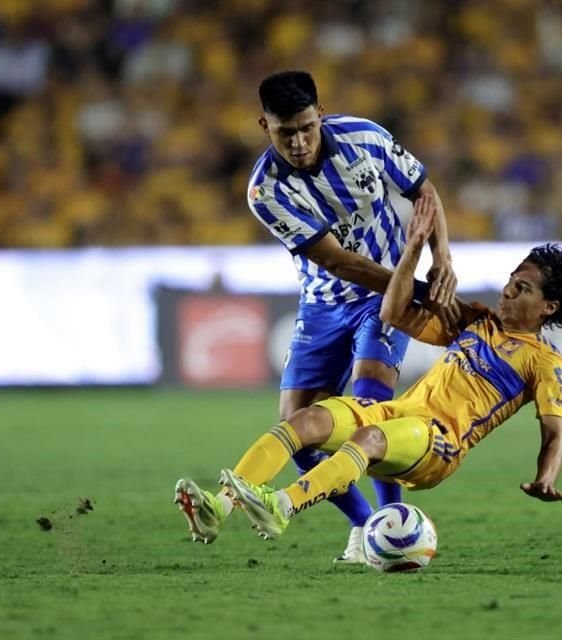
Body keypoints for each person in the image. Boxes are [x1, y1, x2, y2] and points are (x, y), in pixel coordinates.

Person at [173, 193, 562, 546]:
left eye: (523, 288)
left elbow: (554, 434)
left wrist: (544, 477)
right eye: (512, 280)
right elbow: (392, 311)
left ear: (548, 308)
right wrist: (415, 247)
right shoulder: (475, 321)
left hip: (440, 443)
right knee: (307, 420)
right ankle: (219, 506)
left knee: (367, 437)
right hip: (401, 416)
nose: (508, 290)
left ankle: (282, 506)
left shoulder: (545, 361)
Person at [173, 71, 458, 563]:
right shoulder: (265, 191)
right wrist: (413, 287)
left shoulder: (365, 138)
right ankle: (368, 525)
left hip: (382, 301)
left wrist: (443, 259)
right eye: (286, 133)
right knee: (298, 428)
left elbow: (423, 190)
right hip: (326, 301)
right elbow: (336, 262)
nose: (300, 142)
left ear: (320, 114)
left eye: (307, 127)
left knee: (371, 411)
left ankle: (392, 525)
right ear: (265, 126)